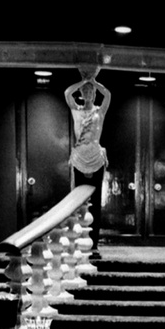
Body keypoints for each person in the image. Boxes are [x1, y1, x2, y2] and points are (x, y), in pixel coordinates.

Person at [65, 71, 111, 255]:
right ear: (82, 94)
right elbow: (67, 93)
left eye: (91, 92)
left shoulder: (100, 111)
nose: (89, 95)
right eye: (86, 92)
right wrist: (83, 81)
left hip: (95, 156)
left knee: (96, 201)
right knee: (78, 202)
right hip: (79, 157)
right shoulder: (76, 110)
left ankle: (93, 243)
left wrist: (94, 82)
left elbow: (108, 95)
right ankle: (77, 240)